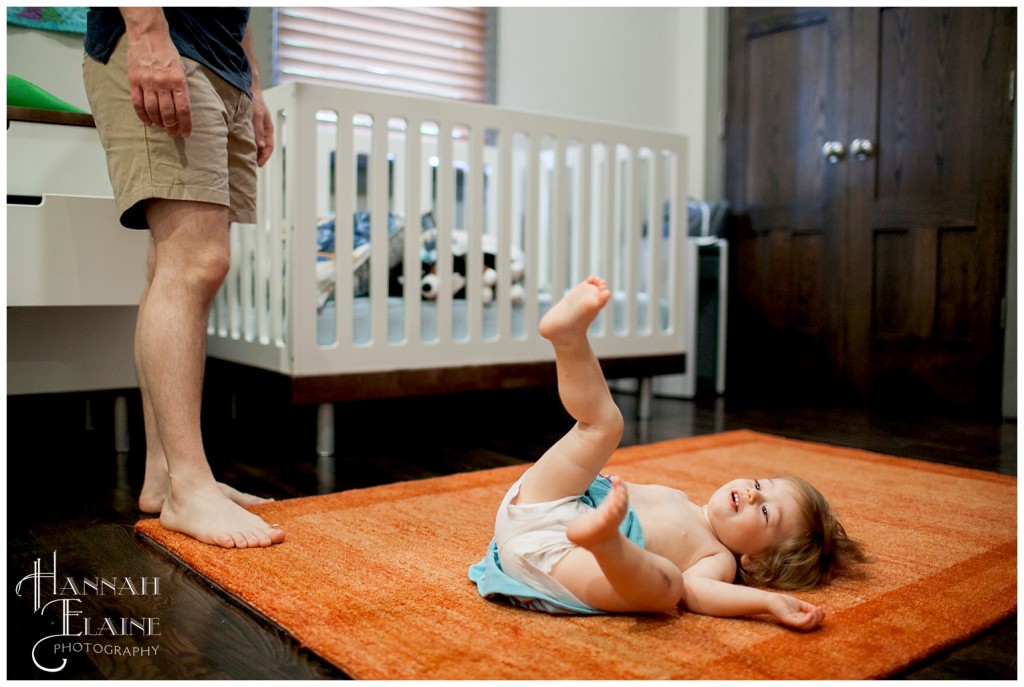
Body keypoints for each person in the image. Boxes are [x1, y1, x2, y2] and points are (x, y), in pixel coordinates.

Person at [470, 277, 864, 628]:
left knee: (670, 589)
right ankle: (568, 338)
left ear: (757, 562)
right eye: (761, 484)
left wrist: (767, 602)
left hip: (565, 562)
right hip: (547, 504)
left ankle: (608, 543)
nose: (754, 492)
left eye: (765, 512)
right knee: (605, 426)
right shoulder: (683, 501)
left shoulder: (718, 559)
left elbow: (698, 593)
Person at [83, 8, 284, 548]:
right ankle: (188, 489)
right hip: (169, 43)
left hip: (224, 68)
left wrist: (254, 87)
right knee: (196, 261)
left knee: (174, 261)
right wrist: (147, 34)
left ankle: (163, 477)